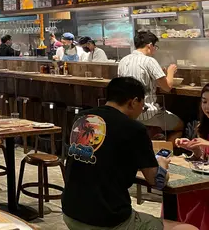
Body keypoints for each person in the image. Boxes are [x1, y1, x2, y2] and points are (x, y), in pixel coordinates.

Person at [62, 77, 196, 230]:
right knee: (188, 229)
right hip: (108, 220)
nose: (141, 112)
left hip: (70, 213)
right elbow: (156, 181)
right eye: (143, 107)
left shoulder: (82, 118)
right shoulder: (134, 129)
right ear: (134, 102)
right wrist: (162, 164)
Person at [118, 31, 183, 141]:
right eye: (155, 47)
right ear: (150, 45)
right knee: (180, 125)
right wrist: (171, 71)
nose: (155, 50)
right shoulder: (149, 61)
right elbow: (167, 87)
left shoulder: (123, 61)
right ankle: (164, 150)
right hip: (147, 113)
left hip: (127, 112)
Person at [174, 83, 209, 229]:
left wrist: (207, 144)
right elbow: (203, 158)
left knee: (203, 200)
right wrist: (193, 149)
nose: (207, 107)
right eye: (204, 101)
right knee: (180, 192)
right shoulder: (203, 126)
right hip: (204, 178)